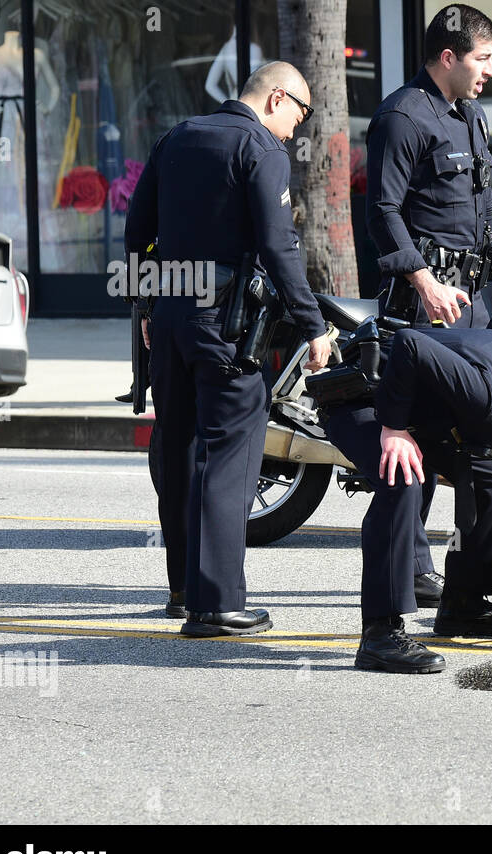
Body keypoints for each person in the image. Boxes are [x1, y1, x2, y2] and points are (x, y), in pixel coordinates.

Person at [125, 61, 331, 637]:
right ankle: (216, 605)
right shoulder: (260, 149)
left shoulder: (175, 138)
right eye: (301, 113)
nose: (298, 128)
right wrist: (313, 325)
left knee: (180, 448)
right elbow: (278, 244)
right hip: (228, 324)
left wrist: (145, 308)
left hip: (169, 316)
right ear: (276, 99)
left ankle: (184, 589)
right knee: (231, 455)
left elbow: (137, 228)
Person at [364, 3, 492, 610]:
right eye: (482, 59)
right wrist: (422, 283)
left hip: (470, 298)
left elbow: (486, 205)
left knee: (472, 437)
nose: (490, 71)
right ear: (448, 57)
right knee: (418, 432)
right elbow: (382, 212)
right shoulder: (401, 117)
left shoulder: (471, 115)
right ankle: (410, 566)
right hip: (422, 301)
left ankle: (470, 571)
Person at [322, 314, 492, 673]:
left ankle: (463, 606)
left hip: (421, 411)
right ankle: (380, 634)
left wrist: (471, 360)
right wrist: (393, 429)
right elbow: (410, 340)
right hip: (365, 397)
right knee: (404, 481)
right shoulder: (491, 402)